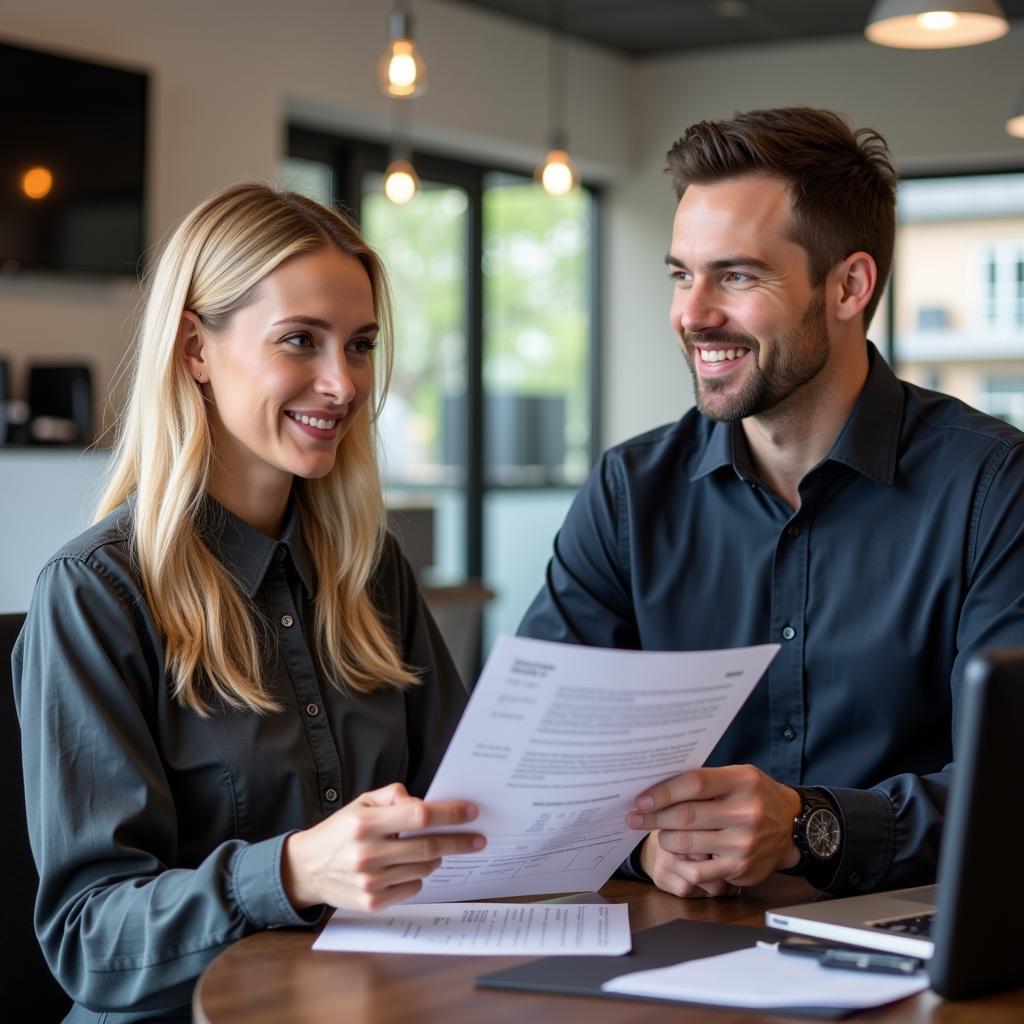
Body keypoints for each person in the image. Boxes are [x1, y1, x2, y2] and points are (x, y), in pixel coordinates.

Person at [518, 108, 1024, 901]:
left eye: (738, 275)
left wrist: (809, 827)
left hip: (921, 965)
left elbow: (1011, 792)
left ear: (850, 285)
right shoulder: (628, 492)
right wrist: (644, 849)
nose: (693, 314)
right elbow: (536, 768)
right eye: (682, 274)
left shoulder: (994, 489)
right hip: (674, 956)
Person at [13, 183, 485, 1023]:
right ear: (196, 347)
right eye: (300, 340)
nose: (342, 385)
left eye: (362, 345)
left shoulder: (373, 571)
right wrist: (295, 871)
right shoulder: (95, 594)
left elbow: (472, 807)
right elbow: (89, 939)